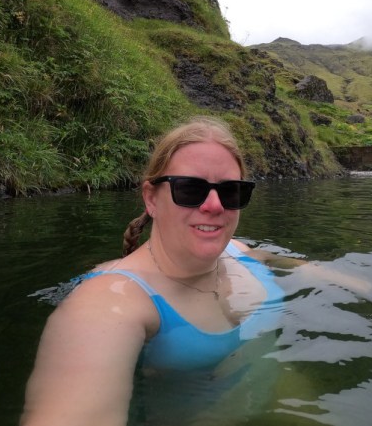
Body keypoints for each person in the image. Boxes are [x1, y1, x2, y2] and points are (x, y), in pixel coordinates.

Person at [20, 116, 285, 426]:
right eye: (189, 189)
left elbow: (273, 259)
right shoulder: (108, 301)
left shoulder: (235, 251)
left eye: (231, 192)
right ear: (151, 198)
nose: (215, 205)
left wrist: (350, 281)